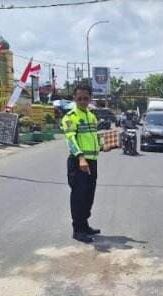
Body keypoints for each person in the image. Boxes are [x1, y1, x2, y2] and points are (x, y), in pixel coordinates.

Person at [62, 83, 109, 243]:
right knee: (78, 197)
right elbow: (71, 139)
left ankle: (85, 224)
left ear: (90, 99)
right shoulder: (70, 117)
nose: (82, 101)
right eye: (79, 98)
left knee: (89, 196)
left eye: (86, 98)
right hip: (78, 162)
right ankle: (78, 230)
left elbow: (93, 137)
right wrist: (81, 157)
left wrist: (103, 146)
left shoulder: (91, 116)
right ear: (74, 98)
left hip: (92, 162)